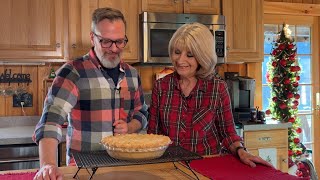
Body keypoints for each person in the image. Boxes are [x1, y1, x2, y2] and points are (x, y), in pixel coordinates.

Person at [33, 7, 148, 179]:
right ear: (92, 38)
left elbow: (142, 112)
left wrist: (130, 127)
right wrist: (48, 165)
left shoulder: (132, 74)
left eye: (120, 41)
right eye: (106, 42)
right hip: (85, 171)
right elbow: (51, 121)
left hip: (126, 168)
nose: (115, 49)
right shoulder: (73, 72)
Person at [147, 22, 272, 168]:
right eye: (177, 52)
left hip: (208, 166)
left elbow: (228, 134)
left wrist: (241, 151)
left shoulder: (217, 88)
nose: (180, 60)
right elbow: (153, 136)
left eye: (190, 55)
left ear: (202, 56)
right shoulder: (161, 87)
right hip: (171, 167)